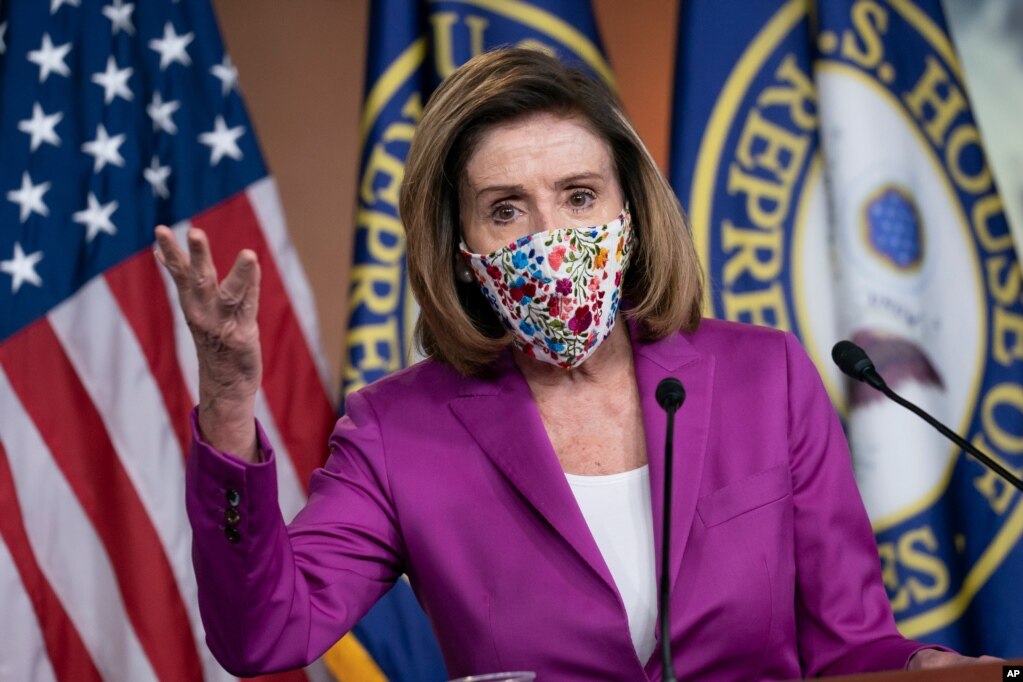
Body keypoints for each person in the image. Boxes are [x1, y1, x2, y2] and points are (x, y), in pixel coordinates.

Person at [155, 48, 992, 680]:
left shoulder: (763, 378)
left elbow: (853, 647)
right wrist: (229, 404)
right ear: (460, 251)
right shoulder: (395, 433)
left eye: (579, 196)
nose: (550, 237)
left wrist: (925, 669)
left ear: (629, 211)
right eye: (505, 209)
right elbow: (264, 636)